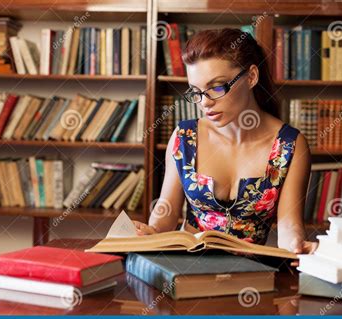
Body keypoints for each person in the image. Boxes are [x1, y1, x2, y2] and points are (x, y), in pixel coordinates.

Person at [133, 28, 317, 255]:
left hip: (249, 276)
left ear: (251, 77)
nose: (205, 103)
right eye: (196, 92)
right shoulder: (185, 138)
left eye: (217, 87)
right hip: (185, 269)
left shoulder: (290, 146)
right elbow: (167, 211)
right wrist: (151, 231)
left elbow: (290, 225)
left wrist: (297, 245)